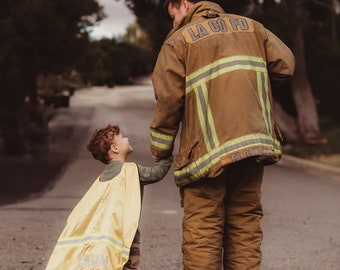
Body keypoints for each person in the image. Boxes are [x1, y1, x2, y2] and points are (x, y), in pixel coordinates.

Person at [150, 1, 295, 269]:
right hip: (253, 145)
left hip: (205, 152)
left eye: (174, 15)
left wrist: (161, 152)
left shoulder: (178, 41)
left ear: (184, 3)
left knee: (203, 229)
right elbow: (285, 65)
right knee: (245, 223)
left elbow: (168, 102)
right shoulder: (252, 27)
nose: (173, 22)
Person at [46, 124, 172, 270]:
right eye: (122, 137)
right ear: (115, 148)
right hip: (127, 237)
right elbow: (157, 173)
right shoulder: (131, 170)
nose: (127, 138)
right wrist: (166, 155)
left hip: (107, 242)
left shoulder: (101, 179)